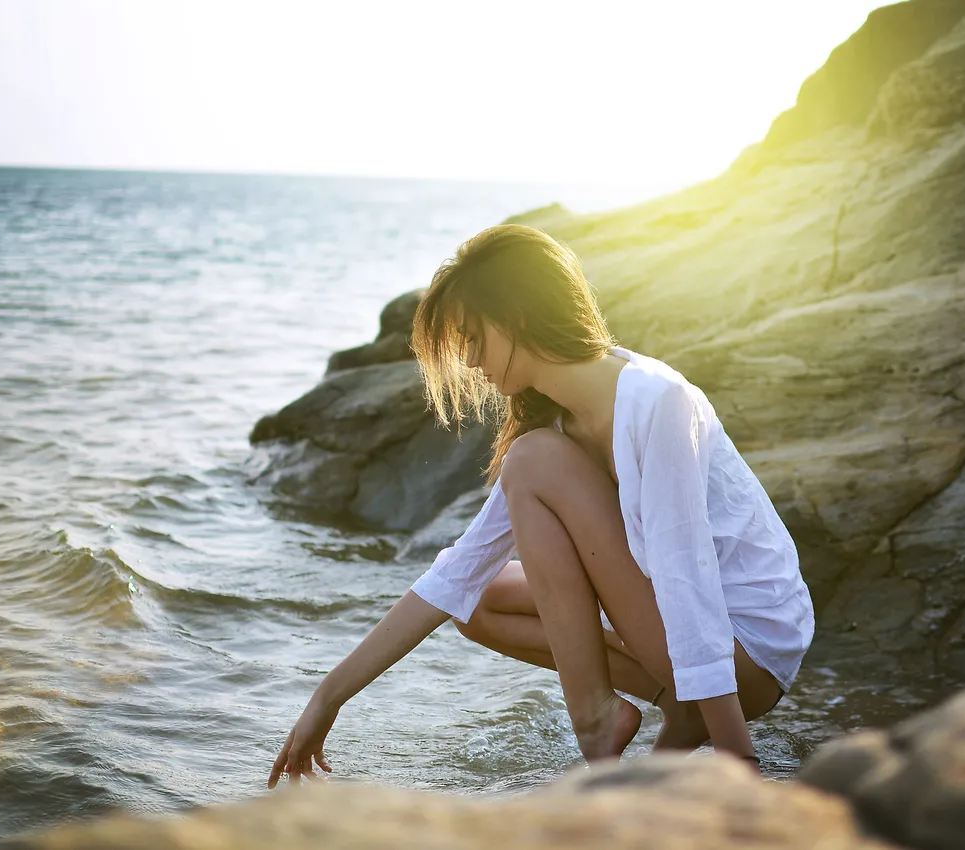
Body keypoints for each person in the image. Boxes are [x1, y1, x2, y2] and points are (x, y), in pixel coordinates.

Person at [268, 224, 814, 786]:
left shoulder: (657, 400)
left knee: (529, 462)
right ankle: (676, 715)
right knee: (477, 598)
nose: (473, 361)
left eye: (474, 339)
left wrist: (738, 762)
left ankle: (605, 726)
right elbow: (459, 571)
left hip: (747, 649)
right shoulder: (557, 424)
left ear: (517, 318)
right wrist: (328, 696)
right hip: (688, 641)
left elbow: (686, 576)